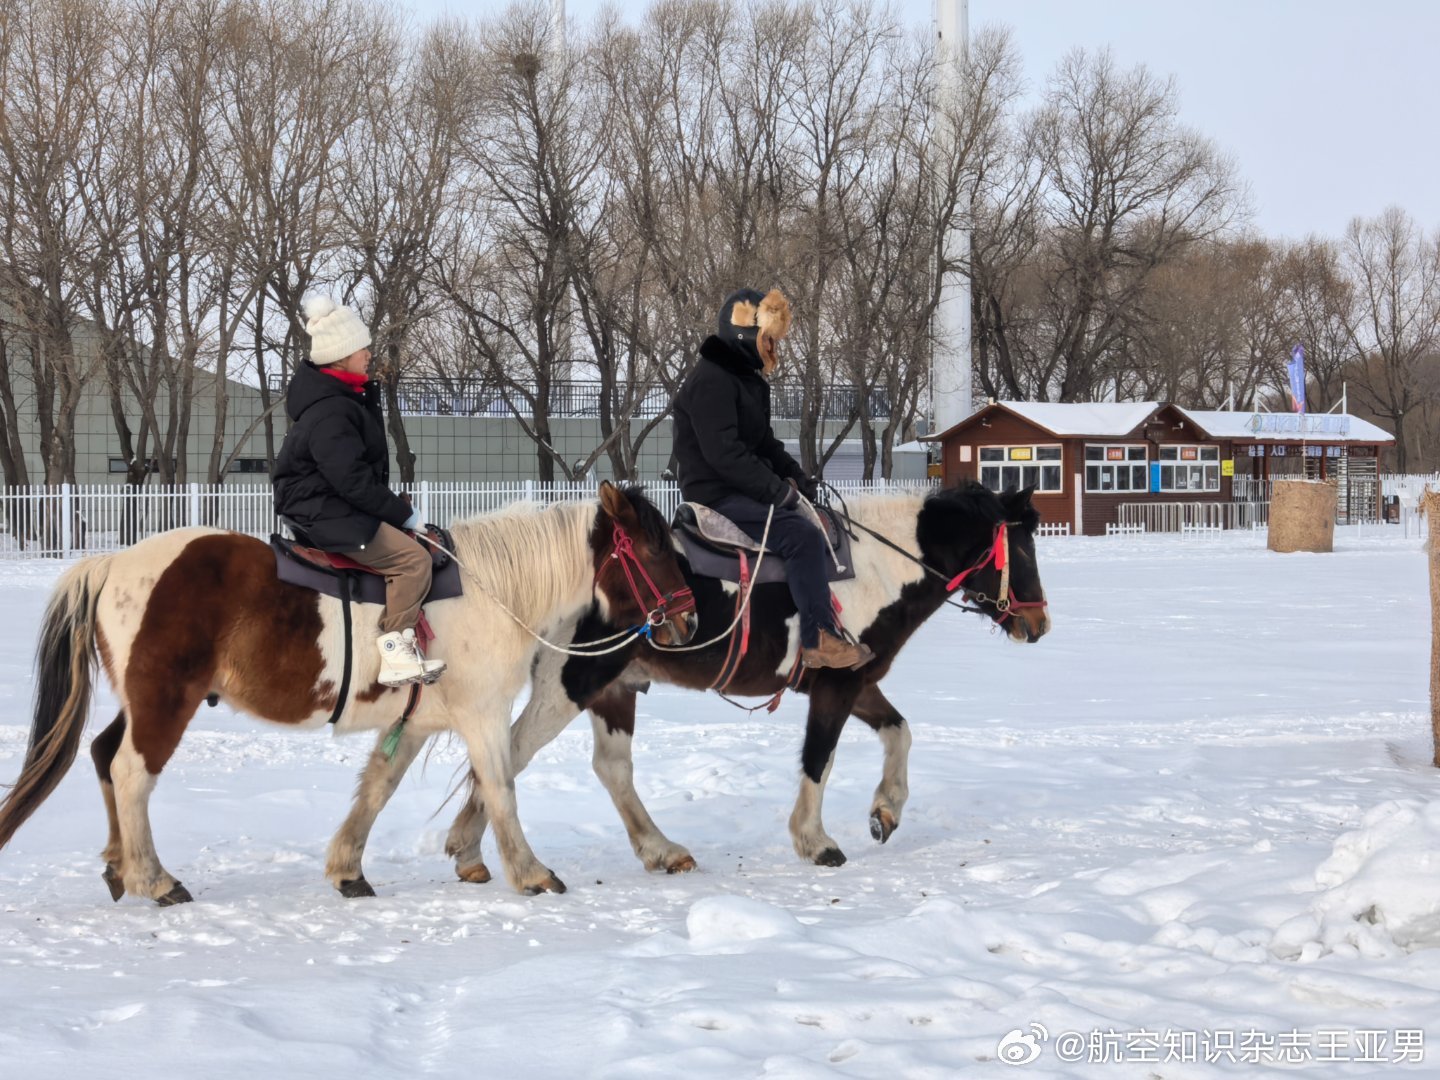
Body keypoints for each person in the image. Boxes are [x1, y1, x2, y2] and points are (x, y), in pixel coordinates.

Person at [672, 288, 874, 670]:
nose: (773, 348)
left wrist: (801, 480)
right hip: (716, 495)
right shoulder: (712, 381)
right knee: (801, 537)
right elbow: (725, 455)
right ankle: (819, 640)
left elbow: (763, 444)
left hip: (740, 488)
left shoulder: (745, 380)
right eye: (769, 339)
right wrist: (780, 494)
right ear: (745, 335)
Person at [272, 296, 445, 686]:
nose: (369, 354)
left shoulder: (343, 399)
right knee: (412, 561)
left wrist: (389, 508)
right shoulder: (332, 409)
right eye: (362, 348)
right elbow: (350, 479)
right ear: (340, 355)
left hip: (331, 503)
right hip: (325, 510)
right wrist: (404, 517)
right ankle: (396, 655)